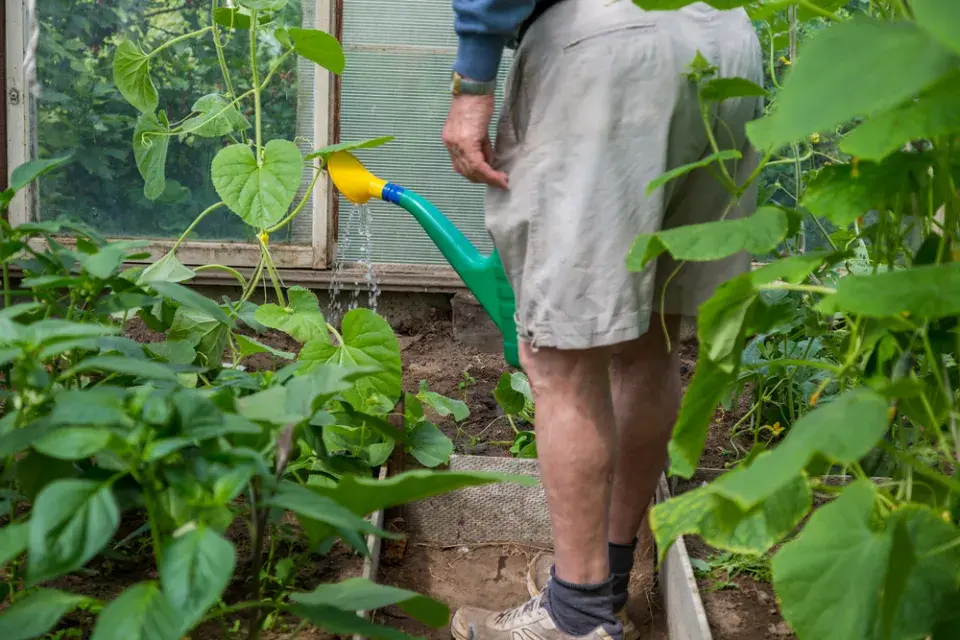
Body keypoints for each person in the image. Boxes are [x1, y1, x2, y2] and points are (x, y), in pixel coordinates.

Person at [441, 1, 762, 639]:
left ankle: (577, 618)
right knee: (652, 335)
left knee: (561, 355)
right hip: (726, 37)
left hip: (610, 38)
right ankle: (605, 581)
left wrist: (472, 79)